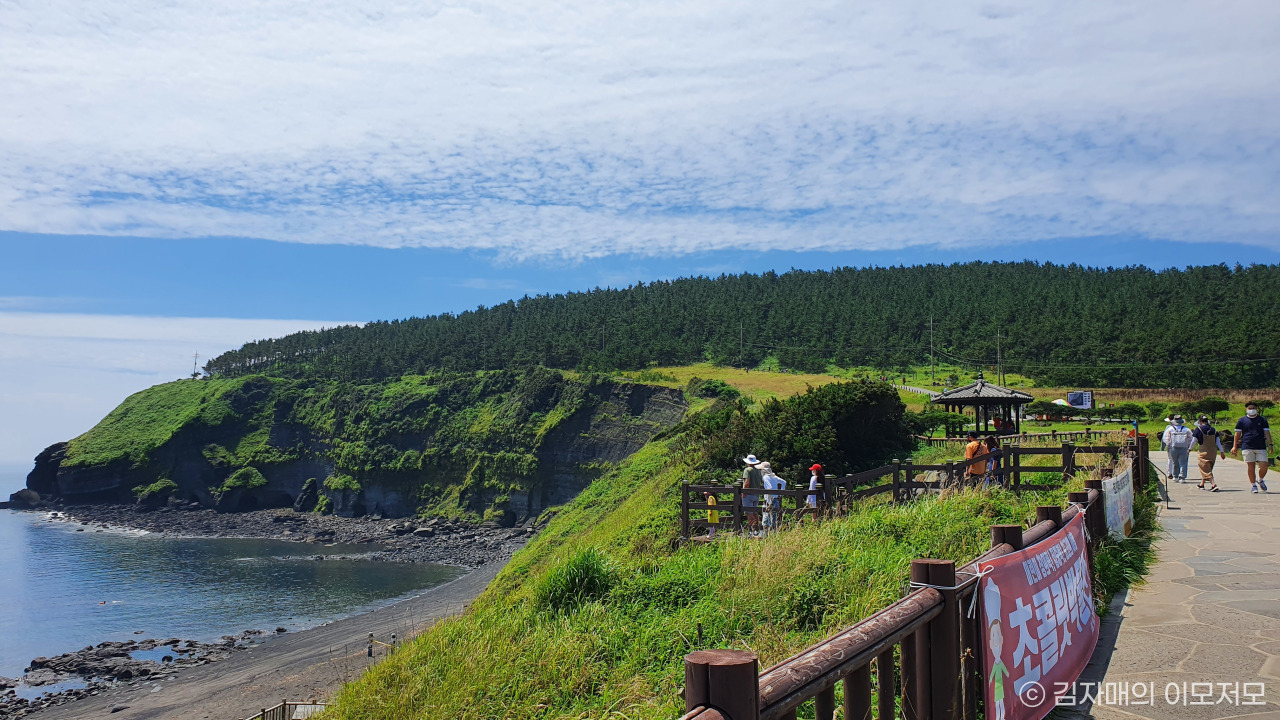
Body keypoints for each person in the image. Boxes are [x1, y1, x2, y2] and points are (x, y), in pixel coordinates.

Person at [1232, 402, 1273, 493]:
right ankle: (1253, 485)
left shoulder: (1262, 420)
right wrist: (1234, 446)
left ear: (1256, 409)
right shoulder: (1242, 420)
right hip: (1247, 445)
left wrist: (1270, 444)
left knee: (1264, 465)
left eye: (1253, 408)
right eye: (1249, 408)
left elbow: (1267, 433)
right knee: (1251, 466)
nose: (1251, 410)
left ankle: (1260, 479)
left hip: (1260, 446)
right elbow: (1237, 434)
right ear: (1246, 409)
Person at [1191, 414, 1225, 491]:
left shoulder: (1198, 429)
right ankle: (1202, 484)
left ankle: (1213, 484)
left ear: (1199, 421)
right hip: (1213, 452)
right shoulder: (1213, 429)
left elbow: (1194, 441)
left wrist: (1189, 449)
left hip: (1203, 452)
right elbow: (1218, 442)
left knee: (1204, 467)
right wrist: (1222, 452)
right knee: (1207, 468)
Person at [1163, 415, 1194, 483]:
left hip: (1173, 448)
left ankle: (1175, 476)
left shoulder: (1170, 429)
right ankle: (1182, 477)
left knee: (1175, 462)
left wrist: (1169, 445)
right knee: (1183, 463)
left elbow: (1166, 438)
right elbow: (1191, 438)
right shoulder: (1186, 429)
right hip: (1184, 448)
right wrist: (1188, 445)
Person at [760, 461, 785, 532]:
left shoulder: (765, 477)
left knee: (766, 517)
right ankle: (773, 533)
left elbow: (769, 488)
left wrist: (767, 494)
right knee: (774, 517)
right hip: (776, 499)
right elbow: (784, 482)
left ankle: (765, 534)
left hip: (769, 500)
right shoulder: (774, 477)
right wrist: (780, 493)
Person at [742, 454, 763, 535]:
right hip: (756, 494)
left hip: (749, 494)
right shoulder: (758, 471)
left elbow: (747, 481)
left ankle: (751, 530)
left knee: (749, 513)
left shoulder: (747, 470)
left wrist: (744, 492)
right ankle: (757, 529)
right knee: (755, 512)